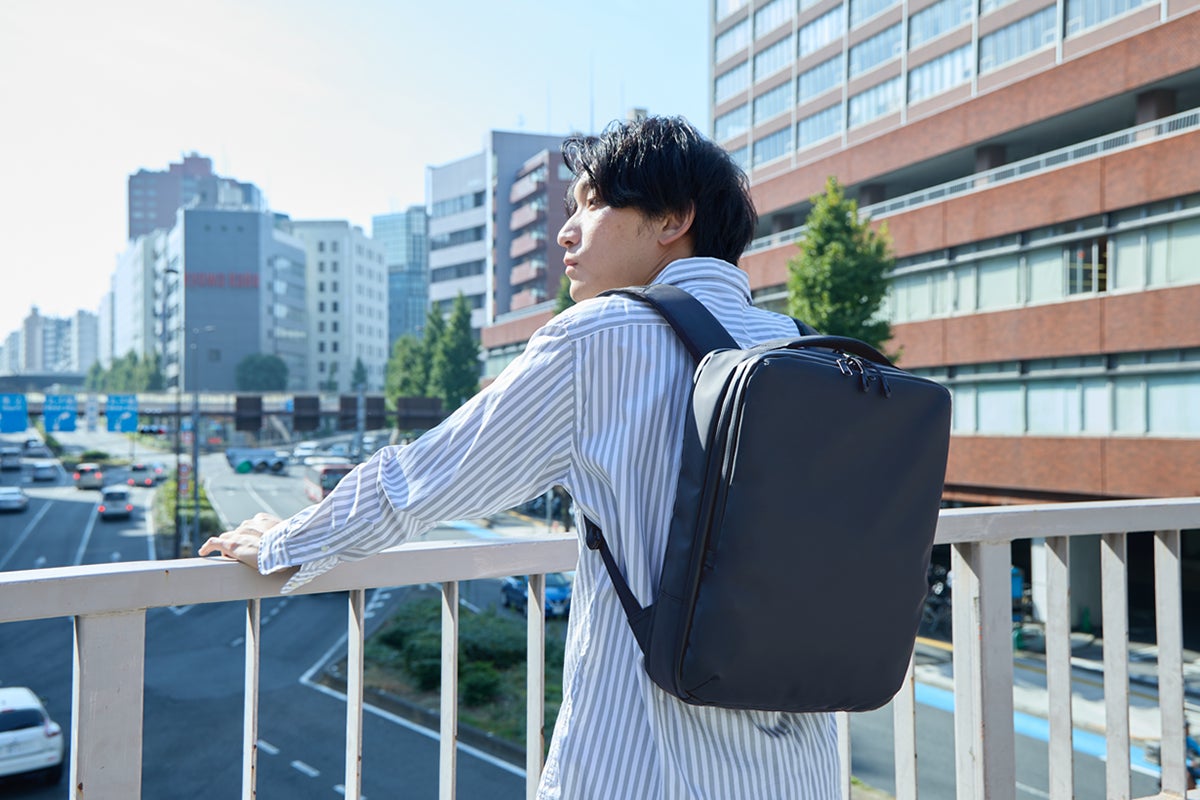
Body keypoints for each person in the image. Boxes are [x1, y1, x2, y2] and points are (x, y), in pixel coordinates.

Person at [200, 115, 839, 798]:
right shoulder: (809, 351)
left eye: (593, 203)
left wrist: (286, 542)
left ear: (672, 219)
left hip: (645, 765)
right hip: (802, 769)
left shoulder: (600, 336)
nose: (567, 231)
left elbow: (423, 481)